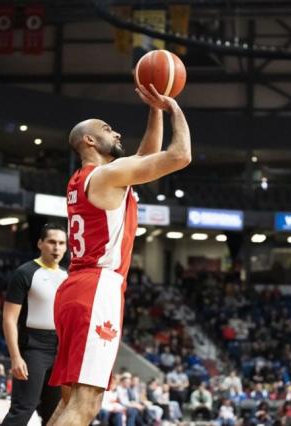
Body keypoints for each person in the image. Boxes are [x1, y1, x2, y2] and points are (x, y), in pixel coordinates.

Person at [47, 83, 191, 426]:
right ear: (90, 141)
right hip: (97, 288)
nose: (116, 132)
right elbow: (180, 155)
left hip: (74, 289)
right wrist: (174, 109)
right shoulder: (107, 176)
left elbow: (143, 158)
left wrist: (153, 109)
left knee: (68, 402)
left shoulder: (83, 180)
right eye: (107, 129)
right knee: (87, 403)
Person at [2, 224, 68, 426]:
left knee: (54, 413)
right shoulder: (25, 272)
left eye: (61, 243)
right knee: (23, 408)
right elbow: (9, 318)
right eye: (51, 242)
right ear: (40, 243)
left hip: (59, 348)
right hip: (32, 347)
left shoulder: (69, 276)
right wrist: (15, 356)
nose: (56, 248)